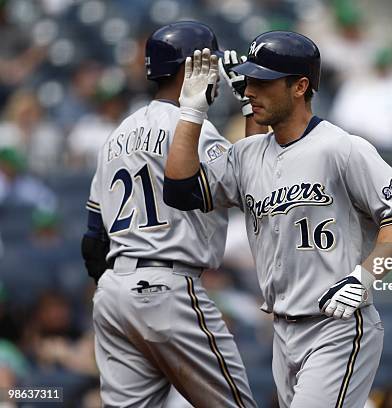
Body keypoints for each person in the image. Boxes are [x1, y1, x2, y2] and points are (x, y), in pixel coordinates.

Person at [163, 31, 392, 407]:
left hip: (335, 325)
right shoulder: (247, 155)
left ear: (300, 86)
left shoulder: (341, 147)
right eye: (248, 80)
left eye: (262, 81)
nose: (249, 89)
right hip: (282, 330)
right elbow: (179, 191)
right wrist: (190, 113)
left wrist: (365, 276)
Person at [81, 21, 262, 407]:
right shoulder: (195, 133)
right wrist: (249, 107)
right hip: (168, 288)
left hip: (113, 292)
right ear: (190, 69)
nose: (215, 73)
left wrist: (123, 285)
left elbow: (93, 242)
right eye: (209, 64)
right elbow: (253, 185)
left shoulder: (116, 136)